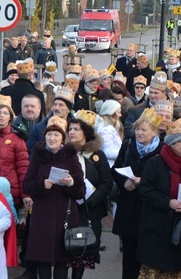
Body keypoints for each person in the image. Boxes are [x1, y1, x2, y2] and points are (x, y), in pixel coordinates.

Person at [136, 118, 181, 279]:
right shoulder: (155, 163)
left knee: (178, 269)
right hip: (156, 227)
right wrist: (168, 202)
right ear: (172, 143)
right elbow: (145, 191)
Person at [22, 116, 84, 279]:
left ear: (62, 138)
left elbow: (80, 189)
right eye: (49, 135)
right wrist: (42, 184)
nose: (52, 138)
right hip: (43, 215)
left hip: (66, 215)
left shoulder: (71, 157)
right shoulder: (38, 156)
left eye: (56, 135)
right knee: (43, 259)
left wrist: (71, 183)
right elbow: (26, 184)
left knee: (62, 261)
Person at [112, 108, 164, 279]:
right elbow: (116, 169)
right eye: (137, 129)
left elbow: (164, 179)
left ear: (154, 132)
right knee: (129, 258)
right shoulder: (128, 145)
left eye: (144, 130)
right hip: (128, 209)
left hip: (149, 210)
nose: (139, 133)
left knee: (148, 257)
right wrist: (123, 182)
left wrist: (144, 182)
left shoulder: (162, 150)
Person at [67, 113, 113, 279]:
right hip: (68, 209)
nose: (71, 132)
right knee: (65, 249)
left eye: (76, 129)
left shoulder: (97, 155)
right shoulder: (64, 154)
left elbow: (106, 183)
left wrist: (92, 201)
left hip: (90, 210)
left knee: (82, 249)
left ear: (86, 132)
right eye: (70, 129)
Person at [95, 99, 124, 167]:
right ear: (112, 113)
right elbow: (108, 153)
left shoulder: (111, 127)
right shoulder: (106, 129)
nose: (120, 115)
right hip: (109, 166)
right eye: (119, 112)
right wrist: (124, 152)